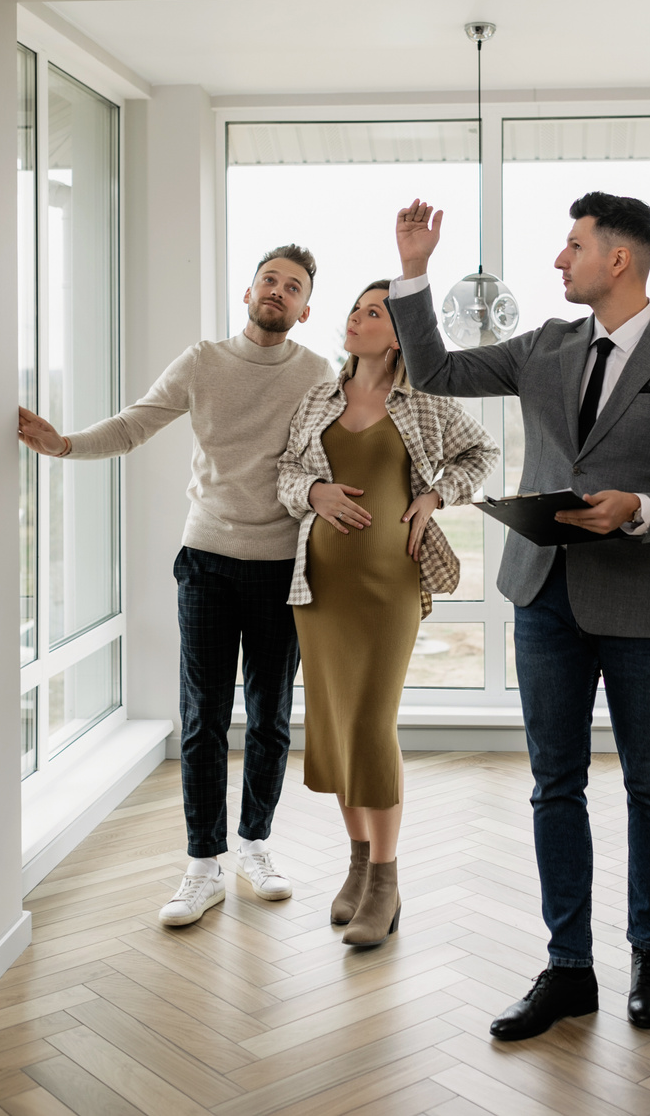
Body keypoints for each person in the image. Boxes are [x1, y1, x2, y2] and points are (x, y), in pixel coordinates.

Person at [388, 194, 650, 1035]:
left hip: (646, 606)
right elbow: (438, 372)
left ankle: (648, 954)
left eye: (572, 245)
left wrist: (641, 510)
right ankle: (568, 967)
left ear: (618, 259)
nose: (558, 260)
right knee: (556, 785)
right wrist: (413, 273)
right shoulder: (545, 346)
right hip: (544, 597)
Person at [18, 246, 334, 927]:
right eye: (269, 280)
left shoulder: (317, 375)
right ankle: (202, 866)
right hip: (208, 561)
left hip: (283, 567)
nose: (277, 292)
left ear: (306, 310)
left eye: (293, 287)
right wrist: (64, 443)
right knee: (203, 720)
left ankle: (256, 846)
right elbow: (135, 424)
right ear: (248, 291)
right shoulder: (203, 362)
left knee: (272, 719)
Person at [276, 280, 499, 947]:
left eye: (372, 312)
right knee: (335, 726)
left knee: (371, 725)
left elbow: (482, 454)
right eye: (353, 309)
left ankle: (386, 879)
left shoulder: (426, 402)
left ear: (398, 332)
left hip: (390, 588)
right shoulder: (317, 396)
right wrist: (313, 490)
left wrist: (434, 497)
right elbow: (286, 474)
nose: (354, 318)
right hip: (318, 592)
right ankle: (355, 866)